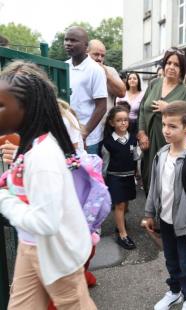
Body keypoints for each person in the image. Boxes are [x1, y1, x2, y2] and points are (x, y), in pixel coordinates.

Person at [0, 61, 96, 309]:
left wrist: (4, 200)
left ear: (26, 108)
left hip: (55, 251)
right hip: (31, 245)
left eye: (1, 105)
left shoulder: (42, 156)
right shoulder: (30, 145)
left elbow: (46, 221)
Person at [143, 101, 186, 310]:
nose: (166, 130)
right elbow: (155, 186)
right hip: (166, 221)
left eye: (172, 126)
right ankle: (175, 291)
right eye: (164, 124)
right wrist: (150, 212)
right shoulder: (161, 154)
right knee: (171, 260)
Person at [137, 47, 186, 193]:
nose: (171, 67)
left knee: (168, 184)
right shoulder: (154, 84)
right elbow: (143, 108)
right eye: (169, 63)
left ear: (182, 69)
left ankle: (166, 215)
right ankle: (151, 214)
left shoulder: (185, 91)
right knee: (148, 177)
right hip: (149, 143)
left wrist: (168, 108)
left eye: (176, 65)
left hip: (171, 145)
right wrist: (142, 133)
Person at [64, 26, 108, 155]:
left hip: (88, 139)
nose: (68, 43)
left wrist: (84, 133)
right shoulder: (64, 67)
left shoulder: (95, 70)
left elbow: (101, 107)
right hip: (67, 135)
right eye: (66, 40)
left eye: (73, 40)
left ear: (86, 46)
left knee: (86, 174)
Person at [102, 105, 138, 250]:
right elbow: (105, 162)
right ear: (112, 123)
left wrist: (137, 172)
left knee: (126, 203)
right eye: (119, 120)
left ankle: (120, 224)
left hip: (129, 176)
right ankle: (122, 234)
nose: (123, 123)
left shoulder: (133, 139)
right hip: (114, 177)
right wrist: (105, 179)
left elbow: (135, 156)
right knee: (120, 204)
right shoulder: (108, 142)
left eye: (125, 120)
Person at [88, 39, 126, 114]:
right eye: (96, 54)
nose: (99, 58)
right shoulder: (78, 70)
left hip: (105, 123)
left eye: (102, 56)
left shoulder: (110, 71)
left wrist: (107, 75)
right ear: (86, 53)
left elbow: (122, 93)